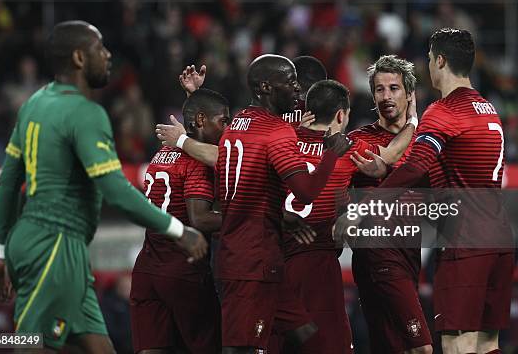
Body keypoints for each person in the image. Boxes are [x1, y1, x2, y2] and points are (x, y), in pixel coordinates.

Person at [0, 21, 207, 353]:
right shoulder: (86, 113)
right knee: (28, 343)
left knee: (100, 346)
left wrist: (5, 252)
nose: (107, 56)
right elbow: (115, 189)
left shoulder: (34, 103)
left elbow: (7, 182)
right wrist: (179, 230)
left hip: (53, 246)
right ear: (79, 57)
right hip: (53, 244)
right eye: (100, 49)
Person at [158, 54, 353, 354]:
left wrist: (280, 215)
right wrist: (331, 155)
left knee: (309, 337)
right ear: (266, 87)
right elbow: (304, 192)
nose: (298, 90)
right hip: (250, 262)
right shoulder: (276, 132)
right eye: (291, 83)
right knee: (243, 347)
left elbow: (234, 161)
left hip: (261, 257)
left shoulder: (237, 123)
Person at [335, 28, 513, 354]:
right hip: (499, 237)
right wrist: (389, 168)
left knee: (459, 343)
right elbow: (451, 173)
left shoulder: (443, 111)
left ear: (440, 61)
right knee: (488, 343)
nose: (428, 65)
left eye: (430, 59)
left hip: (464, 240)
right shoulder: (489, 111)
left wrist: (363, 206)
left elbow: (416, 166)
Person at [282, 79, 417, 354]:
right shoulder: (346, 148)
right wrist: (413, 120)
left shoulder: (283, 142)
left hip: (277, 261)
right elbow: (390, 156)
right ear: (341, 115)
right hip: (318, 262)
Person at [130, 88, 229, 354]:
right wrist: (243, 216)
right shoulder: (194, 161)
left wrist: (194, 94)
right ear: (199, 121)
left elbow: (198, 117)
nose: (227, 128)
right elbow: (199, 218)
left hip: (147, 267)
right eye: (223, 121)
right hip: (183, 270)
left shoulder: (161, 154)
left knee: (152, 348)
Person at [348, 55, 433, 354]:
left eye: (394, 88)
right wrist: (414, 123)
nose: (386, 96)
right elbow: (387, 157)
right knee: (421, 347)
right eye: (379, 89)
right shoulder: (358, 140)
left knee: (389, 346)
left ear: (409, 94)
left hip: (409, 254)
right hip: (377, 254)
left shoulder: (427, 143)